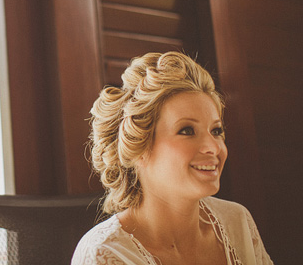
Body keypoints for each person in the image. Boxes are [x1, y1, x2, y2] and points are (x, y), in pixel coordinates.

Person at [72, 52, 273, 265]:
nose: (214, 147)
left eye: (216, 131)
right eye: (187, 130)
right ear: (139, 147)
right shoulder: (105, 254)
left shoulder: (237, 222)